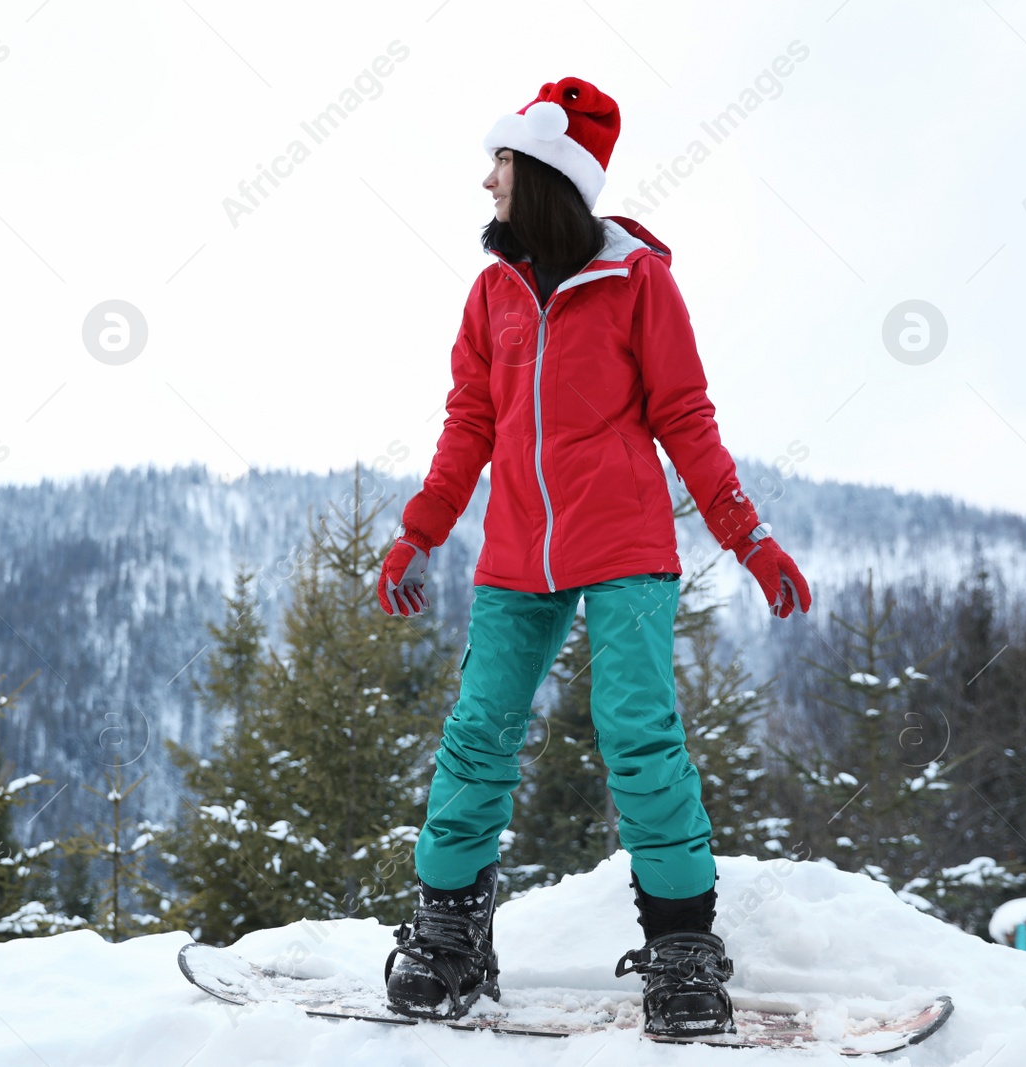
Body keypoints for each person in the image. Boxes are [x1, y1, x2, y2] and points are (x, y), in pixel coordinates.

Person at [374, 76, 811, 1038]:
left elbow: (686, 419)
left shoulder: (638, 282)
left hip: (624, 548)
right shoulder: (491, 293)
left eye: (501, 163)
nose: (487, 180)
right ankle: (450, 932)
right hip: (516, 556)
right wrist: (420, 530)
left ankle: (685, 950)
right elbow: (469, 424)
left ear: (541, 175)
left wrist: (750, 537)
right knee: (478, 733)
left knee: (639, 736)